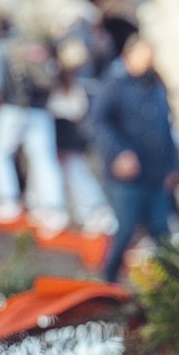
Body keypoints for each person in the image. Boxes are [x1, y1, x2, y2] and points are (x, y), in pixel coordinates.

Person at [92, 36, 179, 281]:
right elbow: (99, 123)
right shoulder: (115, 85)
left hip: (157, 173)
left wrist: (174, 166)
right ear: (129, 56)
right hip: (127, 176)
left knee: (162, 232)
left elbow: (166, 129)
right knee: (126, 229)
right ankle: (106, 278)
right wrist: (119, 152)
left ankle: (172, 288)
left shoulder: (157, 86)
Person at [0, 23, 66, 228]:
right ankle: (52, 207)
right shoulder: (43, 50)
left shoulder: (6, 49)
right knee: (43, 159)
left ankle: (8, 200)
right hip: (40, 110)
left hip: (13, 108)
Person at [49, 39, 114, 234]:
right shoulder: (62, 84)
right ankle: (84, 211)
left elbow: (77, 110)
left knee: (76, 174)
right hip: (64, 136)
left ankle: (92, 211)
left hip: (68, 138)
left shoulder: (74, 86)